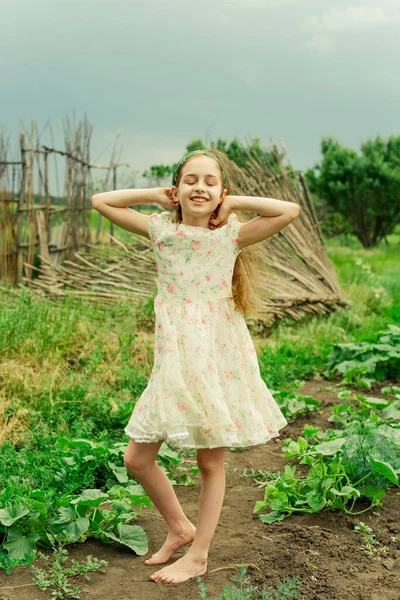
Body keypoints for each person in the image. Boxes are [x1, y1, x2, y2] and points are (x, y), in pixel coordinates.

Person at [91, 149, 300, 585]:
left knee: (210, 462)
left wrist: (236, 203)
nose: (199, 188)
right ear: (177, 188)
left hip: (216, 356)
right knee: (137, 458)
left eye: (209, 181)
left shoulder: (231, 236)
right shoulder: (160, 230)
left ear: (220, 191)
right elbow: (102, 201)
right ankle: (180, 527)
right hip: (173, 357)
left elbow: (288, 210)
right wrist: (155, 195)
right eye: (189, 180)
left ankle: (199, 554)